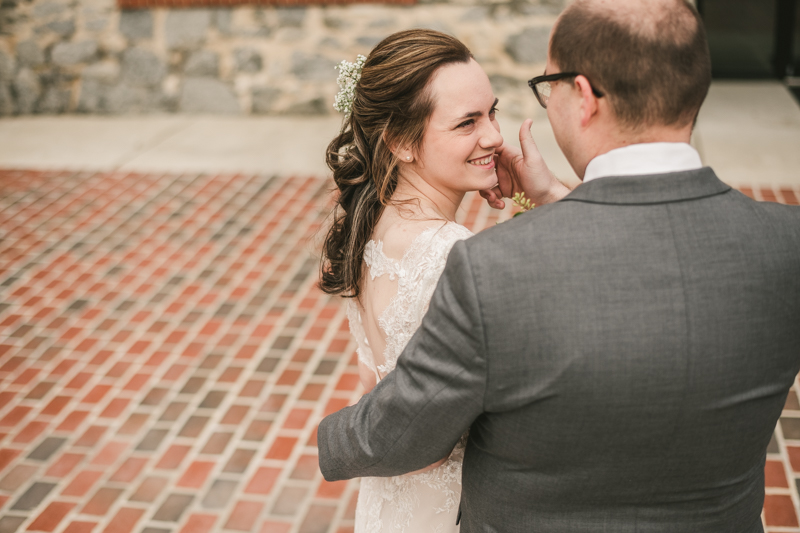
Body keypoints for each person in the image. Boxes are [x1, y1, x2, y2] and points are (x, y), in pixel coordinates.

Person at [318, 0, 800, 531]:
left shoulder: (488, 267)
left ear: (585, 97)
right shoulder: (788, 244)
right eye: (468, 121)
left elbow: (404, 426)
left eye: (549, 87)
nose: (497, 135)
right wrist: (554, 200)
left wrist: (328, 440)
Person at [318, 29, 503, 532]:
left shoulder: (370, 223)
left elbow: (370, 384)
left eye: (492, 112)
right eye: (467, 123)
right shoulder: (451, 252)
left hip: (388, 507)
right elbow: (427, 444)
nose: (494, 137)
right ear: (400, 140)